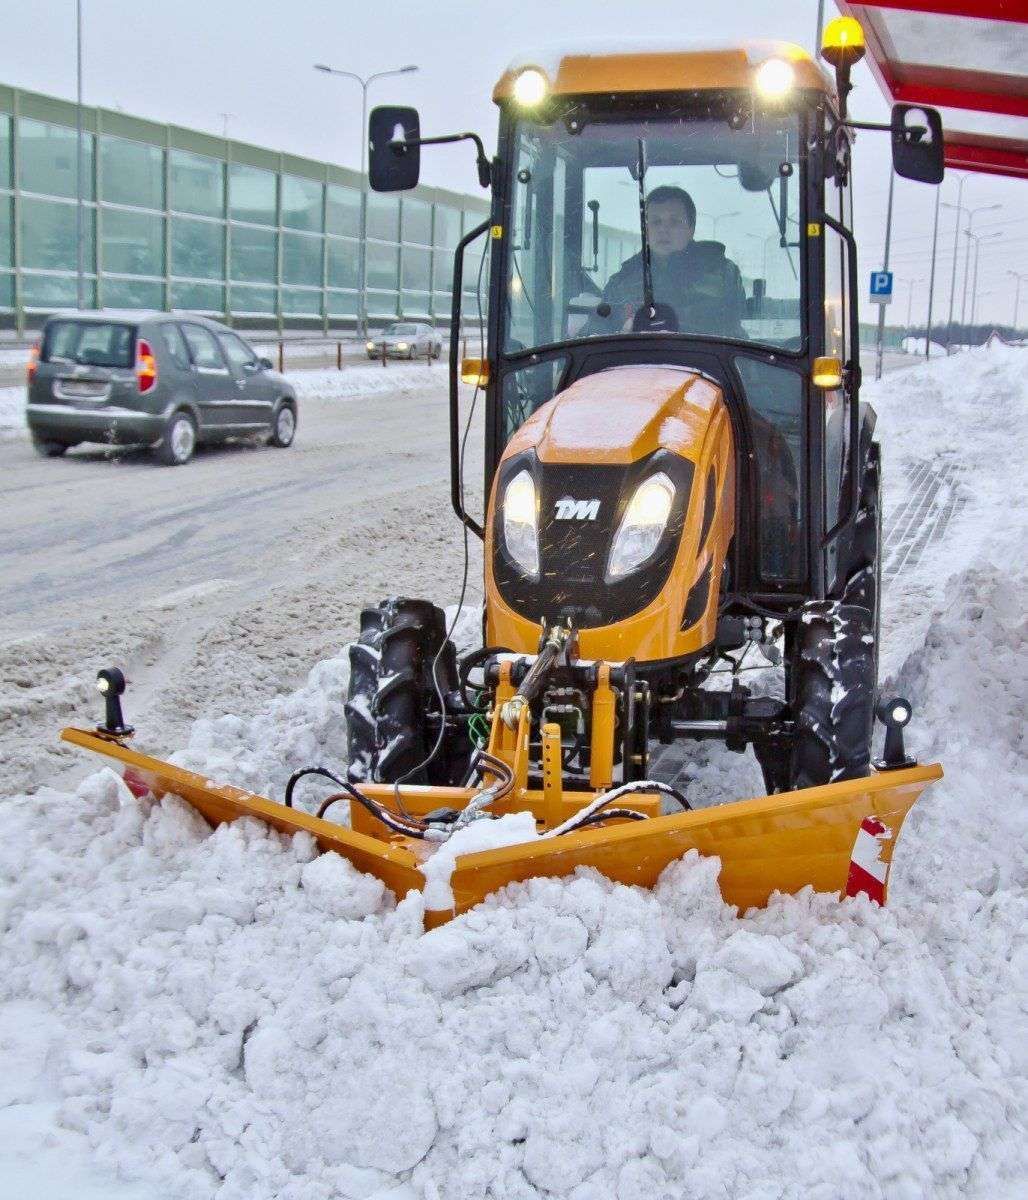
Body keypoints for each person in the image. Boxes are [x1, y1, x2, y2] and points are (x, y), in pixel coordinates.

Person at [594, 185, 747, 339]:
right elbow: (594, 334)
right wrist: (621, 334)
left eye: (674, 222)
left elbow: (734, 334)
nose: (663, 229)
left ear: (691, 228)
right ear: (645, 229)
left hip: (703, 360)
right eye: (655, 222)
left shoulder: (723, 274)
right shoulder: (621, 281)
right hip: (637, 359)